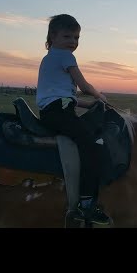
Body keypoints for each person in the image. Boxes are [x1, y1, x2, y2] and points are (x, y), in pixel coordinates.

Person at [36, 13, 110, 226]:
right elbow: (84, 85)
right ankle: (86, 204)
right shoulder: (66, 57)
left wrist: (89, 104)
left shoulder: (48, 58)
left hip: (53, 111)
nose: (73, 42)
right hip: (60, 112)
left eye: (77, 38)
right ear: (53, 36)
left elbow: (61, 96)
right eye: (68, 36)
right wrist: (99, 96)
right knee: (91, 146)